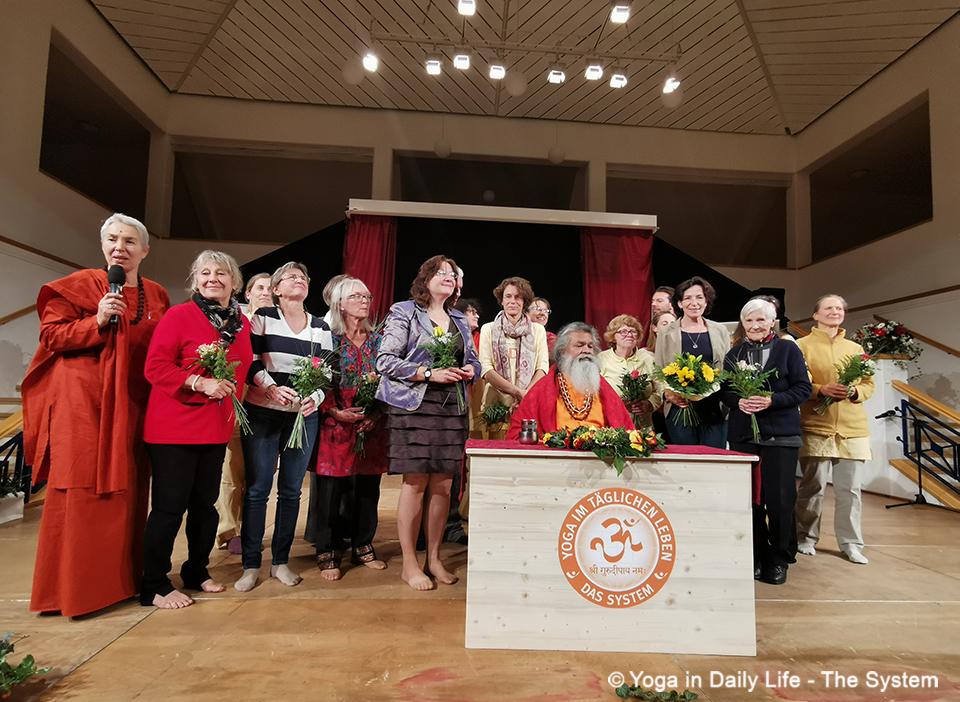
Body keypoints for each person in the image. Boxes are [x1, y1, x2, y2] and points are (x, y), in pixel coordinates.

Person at [22, 213, 169, 616]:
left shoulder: (157, 294)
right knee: (83, 489)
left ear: (145, 250)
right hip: (85, 404)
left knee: (129, 490)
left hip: (135, 404)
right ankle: (73, 592)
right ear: (103, 245)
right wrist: (97, 320)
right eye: (113, 240)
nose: (120, 247)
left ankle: (122, 583)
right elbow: (51, 336)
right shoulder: (79, 286)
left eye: (129, 241)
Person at [141, 250, 252, 608]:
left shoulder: (241, 324)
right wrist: (198, 382)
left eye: (221, 273)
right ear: (195, 280)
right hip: (174, 428)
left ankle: (196, 570)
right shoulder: (179, 315)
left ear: (234, 282)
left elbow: (244, 370)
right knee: (169, 508)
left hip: (215, 428)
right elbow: (155, 366)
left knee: (205, 507)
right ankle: (154, 584)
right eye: (205, 273)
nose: (212, 279)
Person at [376, 255, 480, 591]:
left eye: (453, 274)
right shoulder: (404, 311)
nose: (449, 277)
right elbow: (385, 360)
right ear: (426, 279)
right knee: (416, 483)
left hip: (451, 407)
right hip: (414, 407)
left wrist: (471, 370)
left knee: (444, 486)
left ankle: (434, 559)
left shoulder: (459, 318)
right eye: (441, 272)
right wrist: (428, 373)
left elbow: (474, 361)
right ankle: (410, 564)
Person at [235, 262, 334, 592]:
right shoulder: (263, 318)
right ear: (276, 289)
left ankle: (280, 561)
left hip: (303, 417)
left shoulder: (320, 326)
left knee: (291, 491)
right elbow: (250, 361)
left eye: (303, 277)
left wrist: (315, 397)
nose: (299, 280)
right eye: (291, 277)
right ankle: (251, 564)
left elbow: (327, 372)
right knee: (258, 490)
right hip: (263, 413)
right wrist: (270, 388)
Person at [719, 299, 811, 586]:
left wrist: (772, 400)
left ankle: (780, 557)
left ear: (772, 322)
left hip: (780, 436)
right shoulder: (734, 354)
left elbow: (803, 388)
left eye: (761, 320)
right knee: (750, 500)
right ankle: (756, 553)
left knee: (780, 500)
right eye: (749, 321)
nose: (755, 325)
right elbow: (726, 391)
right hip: (744, 436)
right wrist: (738, 401)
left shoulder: (788, 349)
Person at [310, 277, 387, 580]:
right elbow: (316, 378)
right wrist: (334, 410)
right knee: (331, 490)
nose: (364, 301)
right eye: (356, 296)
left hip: (370, 424)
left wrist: (376, 413)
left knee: (368, 489)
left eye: (367, 296)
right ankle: (327, 550)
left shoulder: (379, 340)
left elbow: (390, 380)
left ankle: (363, 544)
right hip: (335, 421)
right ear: (340, 304)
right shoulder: (328, 338)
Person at [795, 294, 874, 565]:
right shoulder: (801, 346)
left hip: (852, 428)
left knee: (850, 490)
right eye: (828, 308)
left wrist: (854, 392)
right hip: (816, 425)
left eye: (839, 308)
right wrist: (820, 390)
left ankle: (851, 544)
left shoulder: (855, 348)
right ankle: (805, 537)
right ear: (815, 315)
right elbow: (799, 383)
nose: (835, 311)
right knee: (812, 487)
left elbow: (868, 384)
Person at [216, 272, 271, 555]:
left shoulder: (276, 323)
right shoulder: (237, 321)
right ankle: (229, 529)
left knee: (258, 474)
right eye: (259, 287)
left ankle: (250, 528)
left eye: (270, 288)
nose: (265, 292)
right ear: (247, 293)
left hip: (266, 405)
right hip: (238, 401)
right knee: (232, 470)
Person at [507, 322, 633, 439]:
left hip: (598, 453)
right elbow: (517, 432)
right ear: (562, 351)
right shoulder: (543, 388)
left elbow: (626, 430)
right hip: (556, 453)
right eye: (579, 345)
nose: (586, 350)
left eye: (590, 346)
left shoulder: (603, 387)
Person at [654, 276, 731, 448]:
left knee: (714, 459)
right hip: (680, 407)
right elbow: (657, 369)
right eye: (688, 298)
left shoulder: (720, 330)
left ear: (706, 301)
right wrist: (667, 394)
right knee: (687, 459)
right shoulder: (666, 332)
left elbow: (727, 369)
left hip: (714, 408)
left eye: (699, 297)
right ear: (679, 303)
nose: (694, 303)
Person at [478, 277, 549, 439]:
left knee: (526, 452)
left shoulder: (537, 330)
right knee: (496, 451)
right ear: (501, 300)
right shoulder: (488, 329)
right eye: (508, 296)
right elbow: (486, 369)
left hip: (529, 402)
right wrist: (517, 392)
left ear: (524, 302)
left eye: (518, 297)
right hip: (496, 404)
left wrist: (526, 395)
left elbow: (542, 367)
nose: (512, 301)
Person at [597, 314, 660, 429]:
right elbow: (593, 393)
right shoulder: (601, 359)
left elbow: (660, 388)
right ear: (613, 336)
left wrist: (650, 404)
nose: (629, 334)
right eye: (623, 331)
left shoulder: (648, 359)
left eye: (633, 331)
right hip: (611, 427)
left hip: (643, 427)